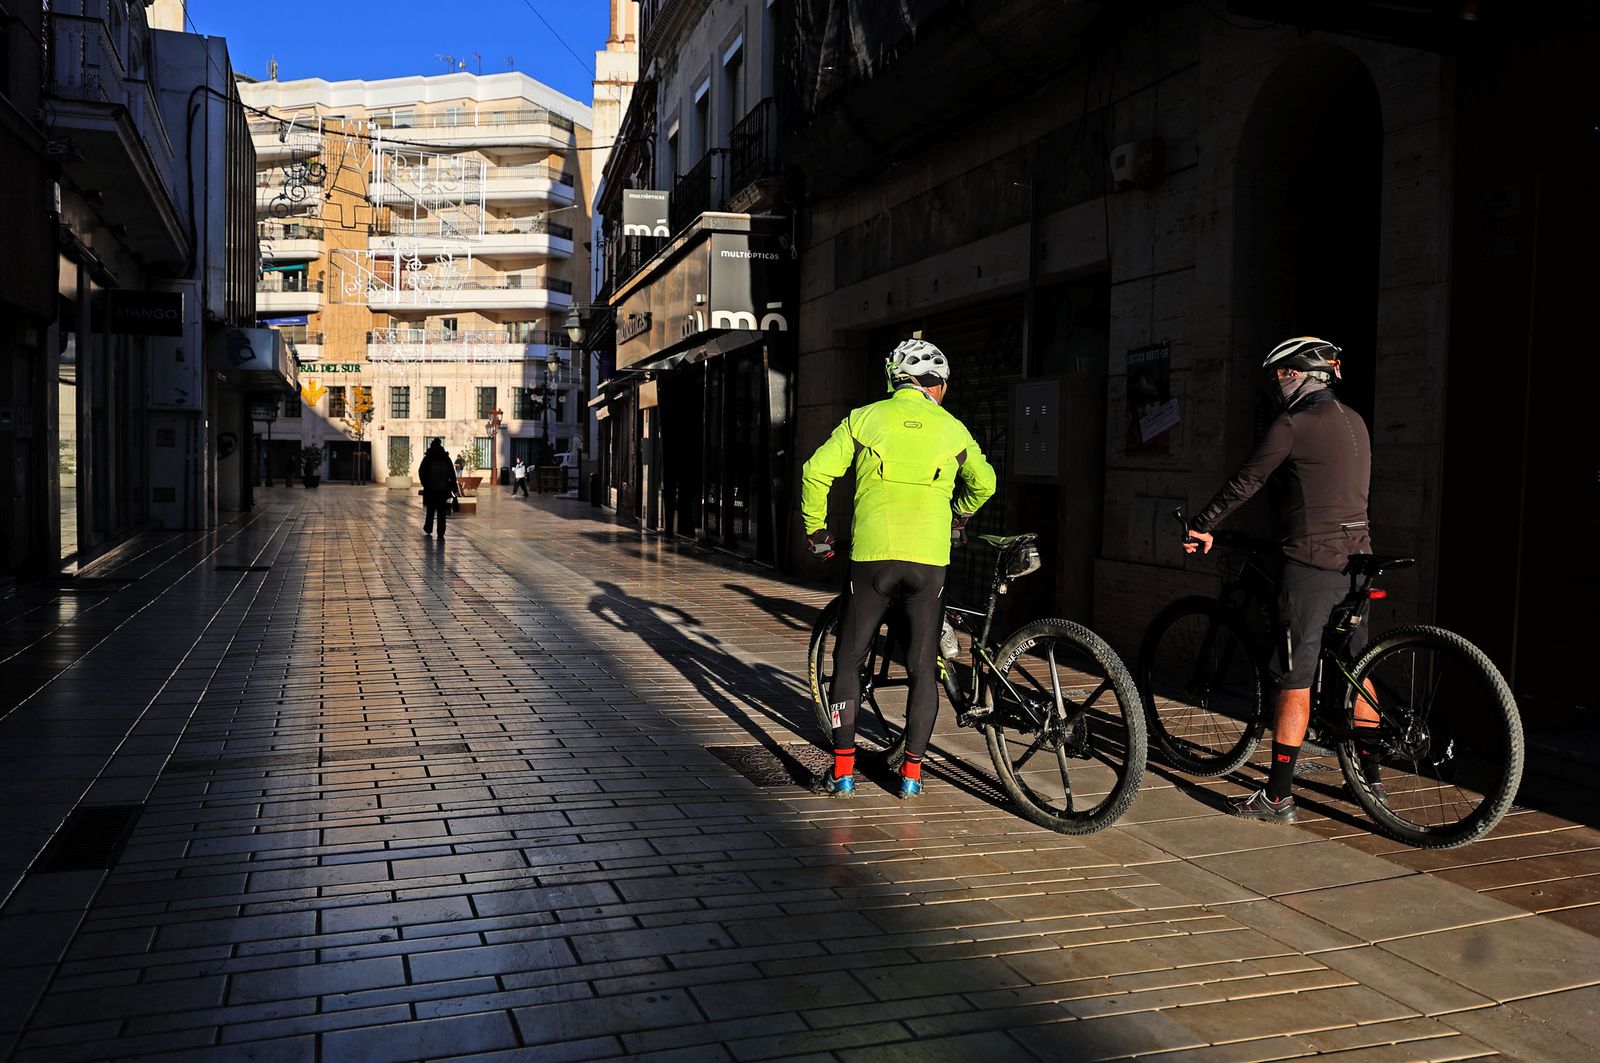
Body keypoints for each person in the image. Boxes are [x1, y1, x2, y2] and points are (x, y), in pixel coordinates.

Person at [1183, 336, 1379, 823]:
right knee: (1358, 669)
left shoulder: (1293, 423)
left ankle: (1277, 797)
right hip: (1358, 561)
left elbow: (1247, 480)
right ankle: (1371, 780)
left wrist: (1203, 524)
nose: (1275, 385)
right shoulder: (1355, 421)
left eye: (1279, 375)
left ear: (1298, 374)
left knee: (1295, 678)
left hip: (1312, 566)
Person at [800, 339, 997, 799]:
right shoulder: (953, 429)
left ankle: (843, 774)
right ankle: (911, 777)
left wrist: (816, 530)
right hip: (929, 561)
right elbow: (985, 483)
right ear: (937, 385)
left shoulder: (865, 418)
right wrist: (957, 516)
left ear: (896, 380)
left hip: (873, 558)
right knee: (923, 666)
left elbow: (815, 471)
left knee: (849, 659)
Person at [418, 439, 458, 541]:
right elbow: (452, 473)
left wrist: (425, 483)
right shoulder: (445, 458)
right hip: (443, 488)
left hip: (431, 488)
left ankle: (428, 527)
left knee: (430, 510)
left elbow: (421, 471)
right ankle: (441, 531)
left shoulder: (428, 458)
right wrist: (453, 485)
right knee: (441, 511)